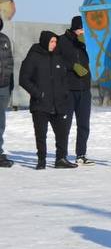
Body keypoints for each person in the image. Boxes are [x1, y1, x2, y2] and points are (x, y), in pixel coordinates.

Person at [19, 31, 76, 169]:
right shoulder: (33, 57)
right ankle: (41, 160)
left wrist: (64, 93)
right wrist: (39, 94)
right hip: (40, 104)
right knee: (41, 134)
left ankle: (61, 159)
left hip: (59, 103)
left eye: (55, 42)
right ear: (45, 41)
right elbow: (24, 79)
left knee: (63, 132)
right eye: (51, 42)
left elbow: (64, 78)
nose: (54, 44)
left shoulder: (58, 57)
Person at [56, 16, 95, 165]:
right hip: (68, 89)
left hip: (84, 89)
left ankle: (81, 154)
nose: (82, 32)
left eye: (84, 30)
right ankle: (62, 155)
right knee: (65, 124)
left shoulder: (87, 43)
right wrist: (72, 66)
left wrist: (87, 46)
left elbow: (97, 57)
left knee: (84, 124)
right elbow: (56, 60)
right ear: (74, 28)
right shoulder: (62, 41)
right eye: (80, 30)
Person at [0, 10, 13, 168]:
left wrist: (10, 84)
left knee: (1, 122)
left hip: (3, 86)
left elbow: (10, 62)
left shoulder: (5, 40)